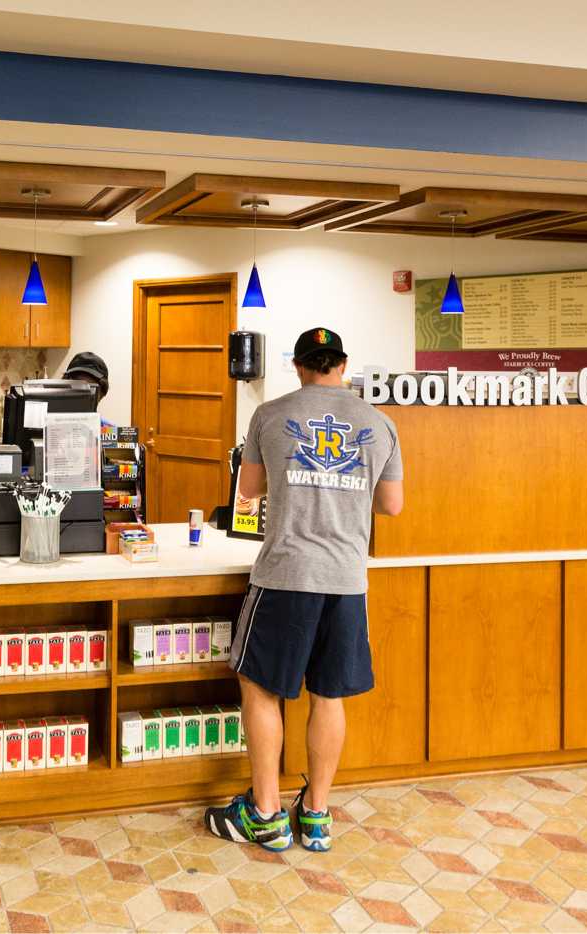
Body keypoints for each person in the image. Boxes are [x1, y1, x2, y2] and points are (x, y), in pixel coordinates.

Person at [205, 326, 403, 853]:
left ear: (298, 365)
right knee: (328, 694)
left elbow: (246, 491)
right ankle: (315, 815)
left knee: (261, 688)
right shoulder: (380, 423)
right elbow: (392, 504)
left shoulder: (270, 415)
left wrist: (292, 476)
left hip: (286, 576)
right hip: (345, 580)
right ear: (342, 364)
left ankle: (267, 814)